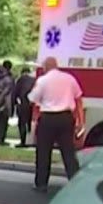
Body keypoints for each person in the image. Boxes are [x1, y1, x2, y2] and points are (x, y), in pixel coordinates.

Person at [28, 57, 83, 192]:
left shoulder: (42, 80)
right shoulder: (69, 78)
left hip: (48, 119)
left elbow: (32, 99)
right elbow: (79, 99)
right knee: (68, 152)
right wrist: (80, 120)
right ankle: (75, 180)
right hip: (66, 118)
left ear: (46, 67)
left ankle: (41, 183)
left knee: (43, 152)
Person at [13, 66, 35, 147]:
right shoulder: (34, 80)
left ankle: (23, 142)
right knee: (30, 123)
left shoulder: (20, 79)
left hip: (22, 104)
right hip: (32, 104)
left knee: (22, 123)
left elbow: (15, 92)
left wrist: (14, 102)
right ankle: (30, 141)